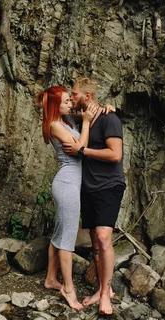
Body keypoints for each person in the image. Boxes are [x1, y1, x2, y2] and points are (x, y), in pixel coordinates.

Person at [63, 76, 125, 315]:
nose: (72, 97)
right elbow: (53, 111)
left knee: (103, 236)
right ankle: (103, 289)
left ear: (87, 96)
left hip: (109, 185)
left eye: (75, 94)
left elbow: (115, 154)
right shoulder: (83, 119)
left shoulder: (110, 119)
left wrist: (83, 150)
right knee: (95, 242)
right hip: (88, 187)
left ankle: (105, 297)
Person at [38, 86, 96, 310]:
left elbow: (88, 109)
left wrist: (105, 108)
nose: (70, 104)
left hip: (71, 182)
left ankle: (51, 279)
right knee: (68, 239)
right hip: (68, 183)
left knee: (60, 233)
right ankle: (68, 288)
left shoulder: (66, 121)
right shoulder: (55, 126)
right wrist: (87, 123)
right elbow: (80, 147)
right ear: (55, 105)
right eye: (65, 102)